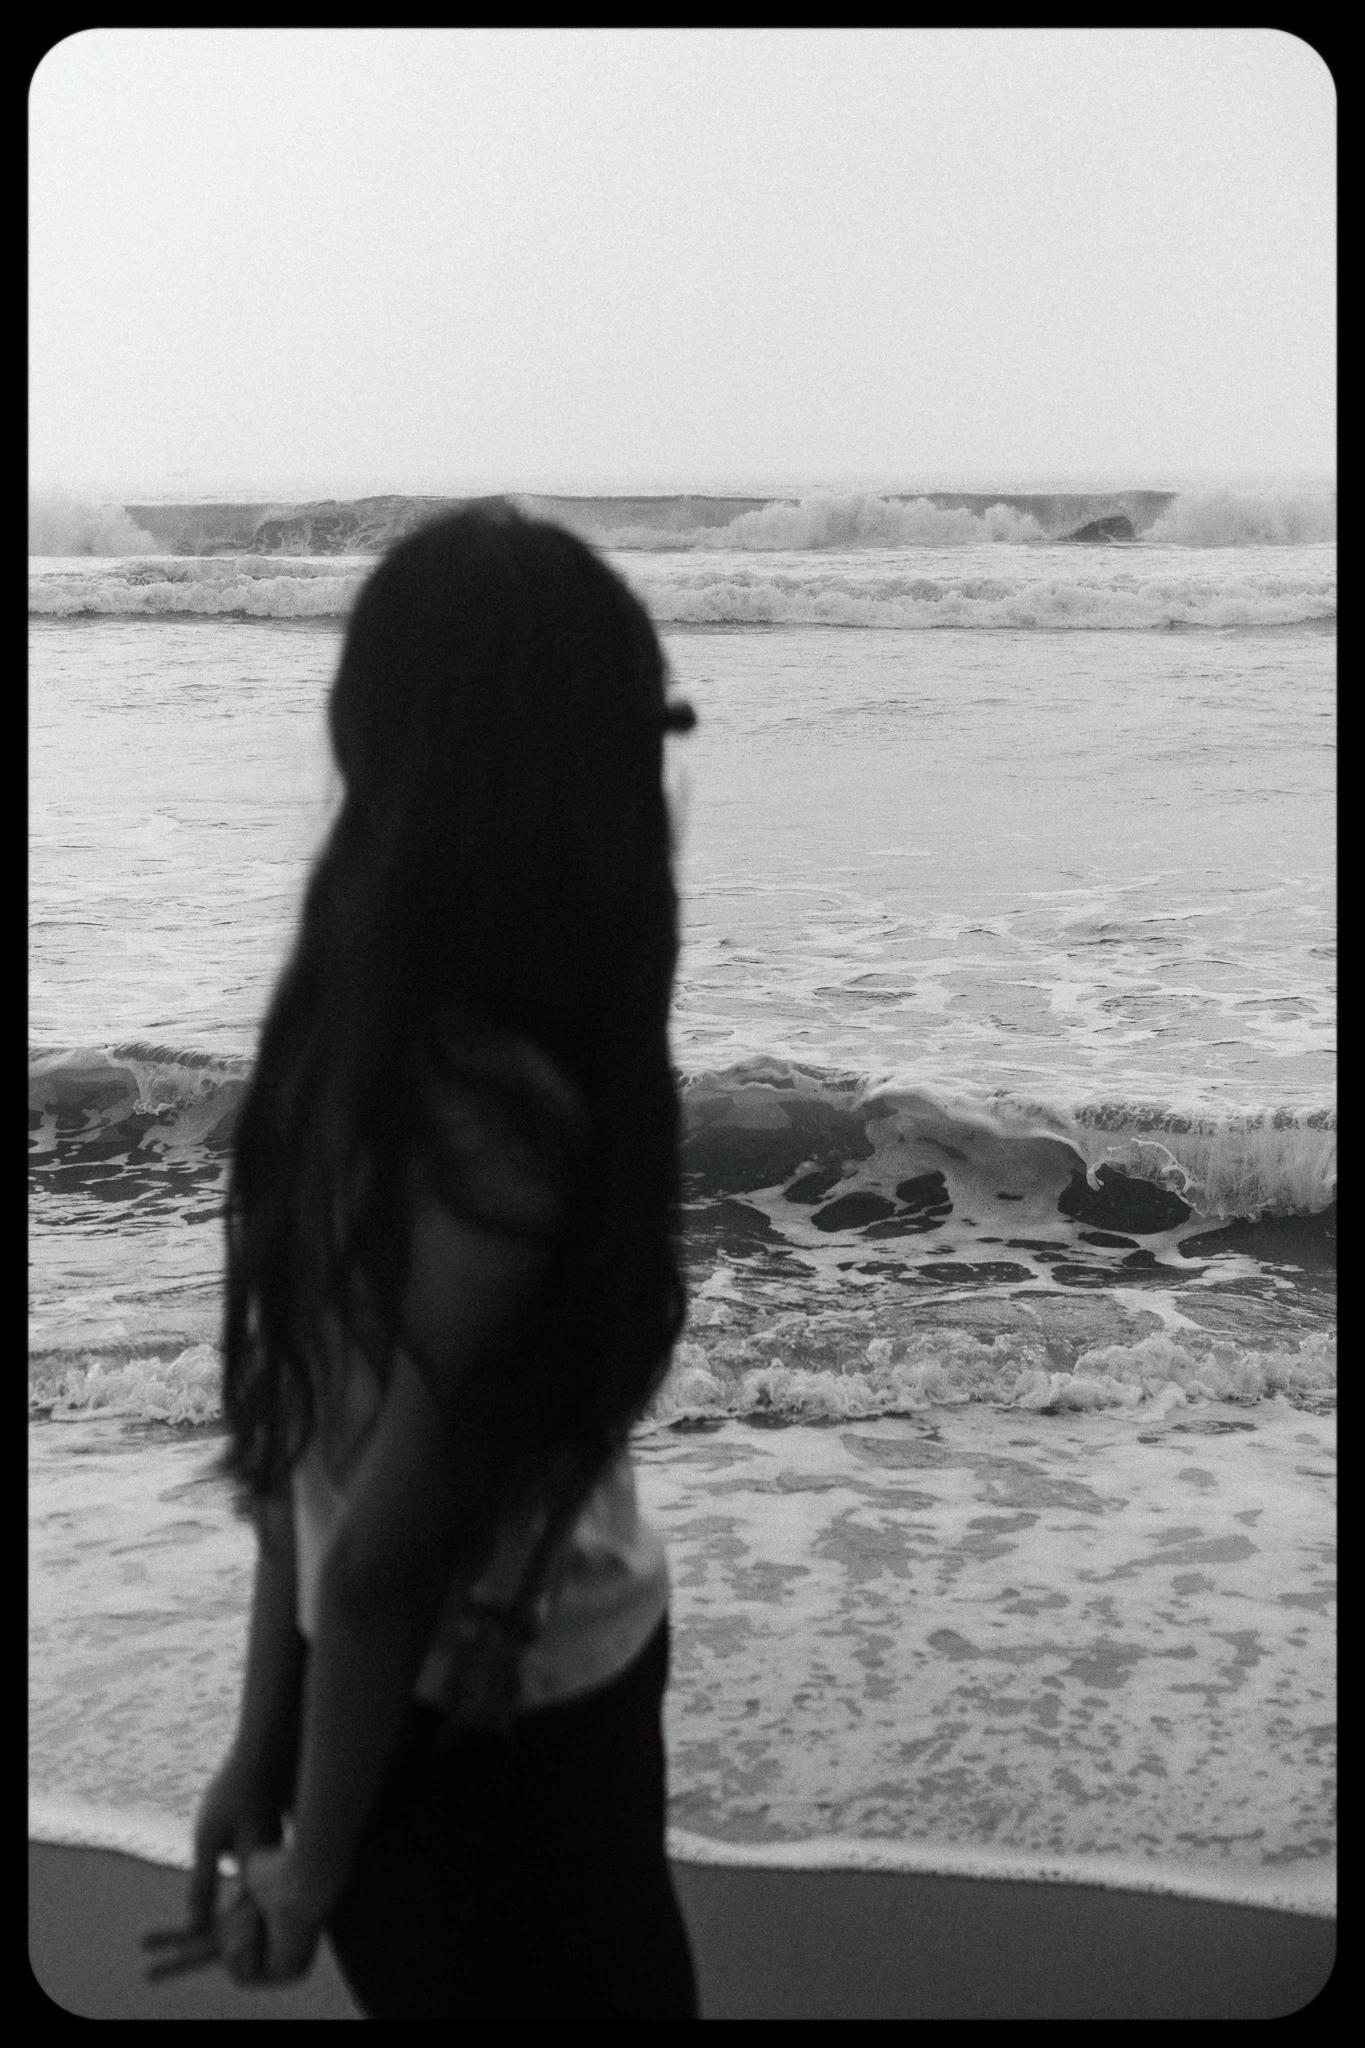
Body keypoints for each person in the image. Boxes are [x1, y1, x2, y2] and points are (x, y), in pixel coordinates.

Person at [144, 506, 700, 2017]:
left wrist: (267, 1744)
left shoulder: (348, 1044)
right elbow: (386, 1549)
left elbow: (301, 1462)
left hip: (394, 1715)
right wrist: (314, 1858)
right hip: (500, 1731)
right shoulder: (498, 1110)